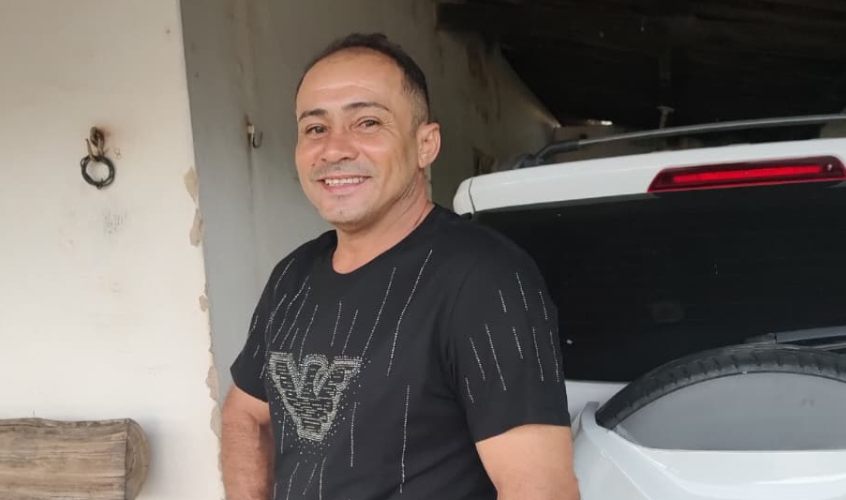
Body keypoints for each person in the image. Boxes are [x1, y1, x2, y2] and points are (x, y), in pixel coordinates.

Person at [221, 32, 579, 500]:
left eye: (368, 122)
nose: (334, 149)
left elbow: (540, 492)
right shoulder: (292, 277)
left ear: (426, 144)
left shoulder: (484, 279)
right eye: (315, 128)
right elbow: (246, 413)